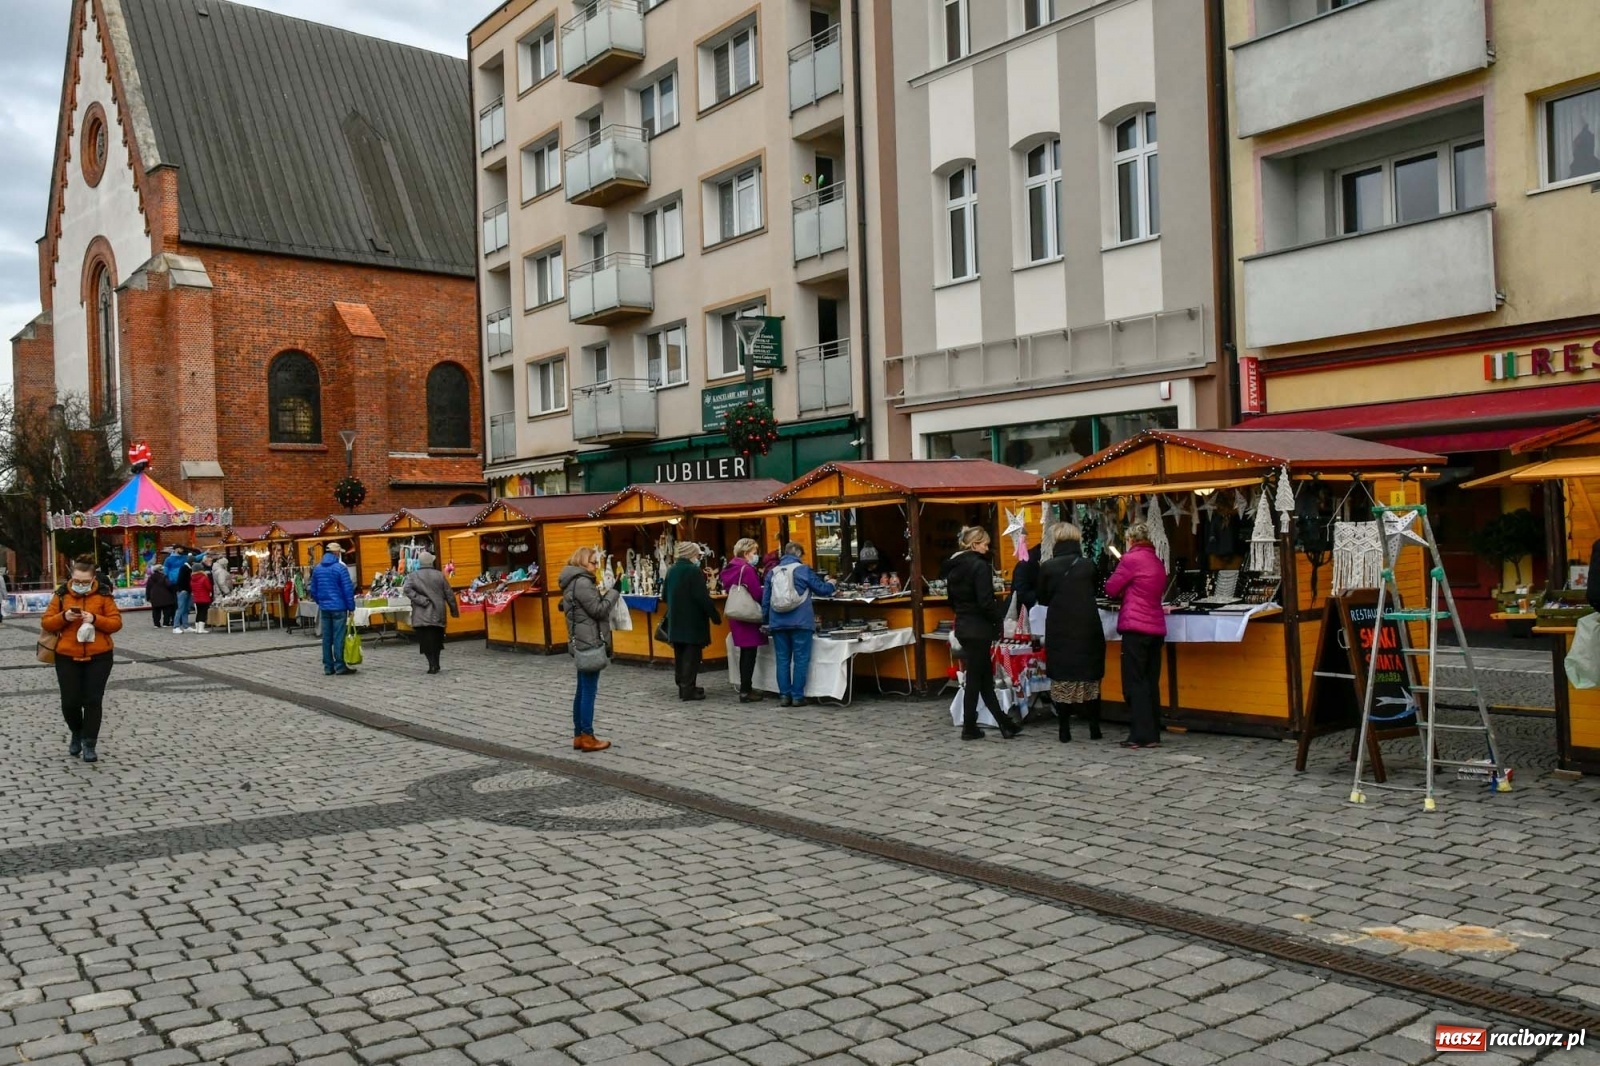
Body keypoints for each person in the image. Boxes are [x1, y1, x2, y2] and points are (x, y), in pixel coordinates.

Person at [42, 557, 123, 762]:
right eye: (77, 580)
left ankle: (89, 743)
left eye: (85, 581)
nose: (80, 584)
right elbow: (46, 623)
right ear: (71, 576)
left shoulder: (104, 595)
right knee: (70, 702)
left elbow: (115, 623)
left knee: (93, 700)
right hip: (67, 655)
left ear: (93, 578)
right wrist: (64, 617)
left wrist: (95, 619)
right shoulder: (61, 595)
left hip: (99, 656)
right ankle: (76, 732)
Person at [942, 526, 1018, 740]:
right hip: (979, 627)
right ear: (975, 544)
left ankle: (1004, 724)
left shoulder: (954, 567)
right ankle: (969, 726)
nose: (987, 547)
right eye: (984, 543)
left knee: (982, 678)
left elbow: (951, 600)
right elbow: (985, 601)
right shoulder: (980, 566)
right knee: (976, 678)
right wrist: (998, 619)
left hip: (964, 626)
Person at [1038, 523, 1105, 742]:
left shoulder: (1047, 567)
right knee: (1090, 677)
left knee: (1062, 677)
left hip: (1060, 626)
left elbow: (1042, 598)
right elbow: (1095, 590)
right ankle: (1094, 728)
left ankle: (1064, 729)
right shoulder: (1088, 565)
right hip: (1087, 625)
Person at [1104, 522, 1167, 749]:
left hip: (1136, 628)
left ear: (1130, 539)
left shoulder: (1130, 560)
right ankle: (1153, 733)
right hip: (1156, 627)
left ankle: (1140, 734)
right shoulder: (1157, 561)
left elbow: (1111, 588)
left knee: (1135, 682)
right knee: (1150, 681)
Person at [560, 546, 621, 751]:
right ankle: (587, 735)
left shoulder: (572, 581)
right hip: (589, 641)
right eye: (593, 562)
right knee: (588, 691)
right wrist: (614, 592)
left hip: (580, 640)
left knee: (582, 690)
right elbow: (598, 610)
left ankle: (579, 735)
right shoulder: (583, 582)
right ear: (582, 562)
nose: (596, 566)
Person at [763, 542, 837, 707]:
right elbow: (822, 589)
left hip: (778, 623)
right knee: (801, 660)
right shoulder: (802, 570)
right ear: (797, 553)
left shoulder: (772, 572)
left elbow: (766, 600)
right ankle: (797, 696)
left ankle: (784, 696)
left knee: (782, 660)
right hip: (801, 622)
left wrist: (766, 621)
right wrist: (831, 583)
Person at [663, 542, 720, 701]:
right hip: (692, 622)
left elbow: (664, 596)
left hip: (676, 621)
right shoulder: (693, 571)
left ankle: (683, 685)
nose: (699, 558)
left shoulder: (671, 570)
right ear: (690, 554)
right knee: (692, 656)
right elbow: (702, 597)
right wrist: (714, 615)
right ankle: (688, 689)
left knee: (680, 655)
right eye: (697, 555)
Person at [719, 538, 767, 703]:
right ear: (746, 553)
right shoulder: (746, 569)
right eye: (754, 552)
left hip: (737, 615)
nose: (756, 556)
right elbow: (757, 593)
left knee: (744, 653)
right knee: (749, 654)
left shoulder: (730, 568)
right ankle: (746, 690)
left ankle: (745, 687)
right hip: (748, 615)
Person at [403, 550, 458, 674]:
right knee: (437, 639)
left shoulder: (413, 576)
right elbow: (449, 594)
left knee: (425, 641)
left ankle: (432, 664)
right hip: (438, 612)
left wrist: (421, 600)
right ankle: (436, 663)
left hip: (421, 613)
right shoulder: (439, 575)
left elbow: (406, 589)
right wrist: (454, 610)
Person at [309, 543, 357, 676]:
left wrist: (322, 601)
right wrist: (351, 607)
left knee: (327, 638)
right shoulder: (340, 568)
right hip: (339, 607)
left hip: (325, 608)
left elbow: (313, 590)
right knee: (338, 636)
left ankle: (328, 666)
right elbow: (348, 590)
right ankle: (340, 665)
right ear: (336, 553)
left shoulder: (317, 569)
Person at [189, 559, 214, 634]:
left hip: (196, 598)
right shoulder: (204, 577)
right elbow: (208, 587)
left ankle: (197, 628)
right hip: (204, 597)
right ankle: (201, 629)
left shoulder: (192, 578)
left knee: (198, 613)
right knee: (203, 612)